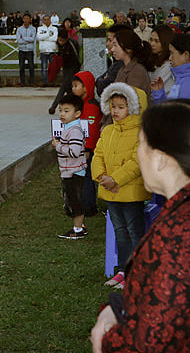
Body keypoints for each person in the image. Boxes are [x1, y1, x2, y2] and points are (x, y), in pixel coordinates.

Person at [90, 100, 190, 353]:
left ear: (159, 159)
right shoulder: (177, 211)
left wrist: (105, 337)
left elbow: (152, 339)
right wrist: (115, 308)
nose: (138, 153)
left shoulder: (176, 237)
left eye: (142, 144)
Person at [92, 83, 151, 290]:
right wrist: (102, 176)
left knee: (134, 231)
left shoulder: (141, 133)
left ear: (133, 108)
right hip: (111, 191)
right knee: (120, 231)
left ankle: (137, 271)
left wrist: (115, 179)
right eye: (113, 106)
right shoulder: (108, 131)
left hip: (131, 192)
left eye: (121, 107)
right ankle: (123, 271)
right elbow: (98, 154)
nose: (115, 111)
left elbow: (136, 163)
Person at [52, 94, 91, 239]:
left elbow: (74, 152)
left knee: (74, 201)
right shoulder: (70, 128)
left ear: (77, 113)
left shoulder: (74, 130)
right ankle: (80, 226)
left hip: (74, 172)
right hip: (71, 171)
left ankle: (78, 230)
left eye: (66, 111)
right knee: (72, 199)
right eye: (61, 110)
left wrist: (58, 146)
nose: (62, 114)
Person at [72, 72, 103, 216]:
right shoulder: (80, 105)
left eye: (76, 85)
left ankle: (89, 206)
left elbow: (92, 130)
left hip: (87, 150)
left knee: (87, 178)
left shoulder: (91, 107)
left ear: (86, 87)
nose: (73, 88)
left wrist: (87, 148)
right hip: (79, 148)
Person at [112, 29, 154, 101]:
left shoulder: (137, 72)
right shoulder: (124, 68)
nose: (112, 49)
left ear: (128, 49)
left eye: (115, 45)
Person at [49, 28, 81, 115]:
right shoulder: (60, 44)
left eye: (62, 40)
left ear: (66, 39)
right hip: (66, 68)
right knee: (69, 89)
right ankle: (76, 105)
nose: (60, 42)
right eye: (59, 40)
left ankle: (53, 106)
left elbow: (76, 57)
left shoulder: (72, 44)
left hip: (73, 68)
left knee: (63, 87)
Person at [95, 24, 133, 97]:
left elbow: (102, 89)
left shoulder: (122, 65)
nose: (107, 44)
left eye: (110, 40)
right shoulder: (117, 62)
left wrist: (102, 80)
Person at [152, 33, 190, 102]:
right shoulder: (180, 78)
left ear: (186, 55)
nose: (170, 58)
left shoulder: (187, 83)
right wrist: (159, 93)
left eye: (172, 53)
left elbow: (176, 111)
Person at [149, 25, 176, 96]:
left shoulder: (169, 65)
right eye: (151, 40)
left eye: (156, 41)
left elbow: (153, 87)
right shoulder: (152, 59)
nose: (152, 44)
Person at [16, 13, 37, 86]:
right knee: (21, 67)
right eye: (25, 18)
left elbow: (33, 39)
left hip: (29, 51)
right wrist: (27, 39)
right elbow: (19, 40)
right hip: (21, 50)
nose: (26, 20)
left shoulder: (33, 29)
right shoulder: (19, 29)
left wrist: (23, 38)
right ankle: (22, 82)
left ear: (30, 19)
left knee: (31, 67)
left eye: (28, 18)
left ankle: (32, 82)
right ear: (23, 19)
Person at [37, 15, 58, 85]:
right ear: (43, 21)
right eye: (45, 20)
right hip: (43, 51)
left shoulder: (54, 29)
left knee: (53, 68)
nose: (46, 21)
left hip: (52, 51)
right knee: (44, 68)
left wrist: (44, 37)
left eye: (48, 19)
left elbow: (55, 38)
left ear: (50, 20)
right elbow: (39, 37)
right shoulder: (40, 28)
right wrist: (49, 34)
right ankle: (44, 82)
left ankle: (52, 82)